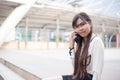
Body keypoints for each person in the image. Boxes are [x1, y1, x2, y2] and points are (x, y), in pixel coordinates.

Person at [43, 12, 104, 80]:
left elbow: (97, 71)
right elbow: (75, 67)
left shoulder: (96, 42)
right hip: (79, 77)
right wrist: (71, 45)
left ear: (90, 23)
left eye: (82, 24)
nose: (80, 28)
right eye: (77, 27)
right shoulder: (81, 44)